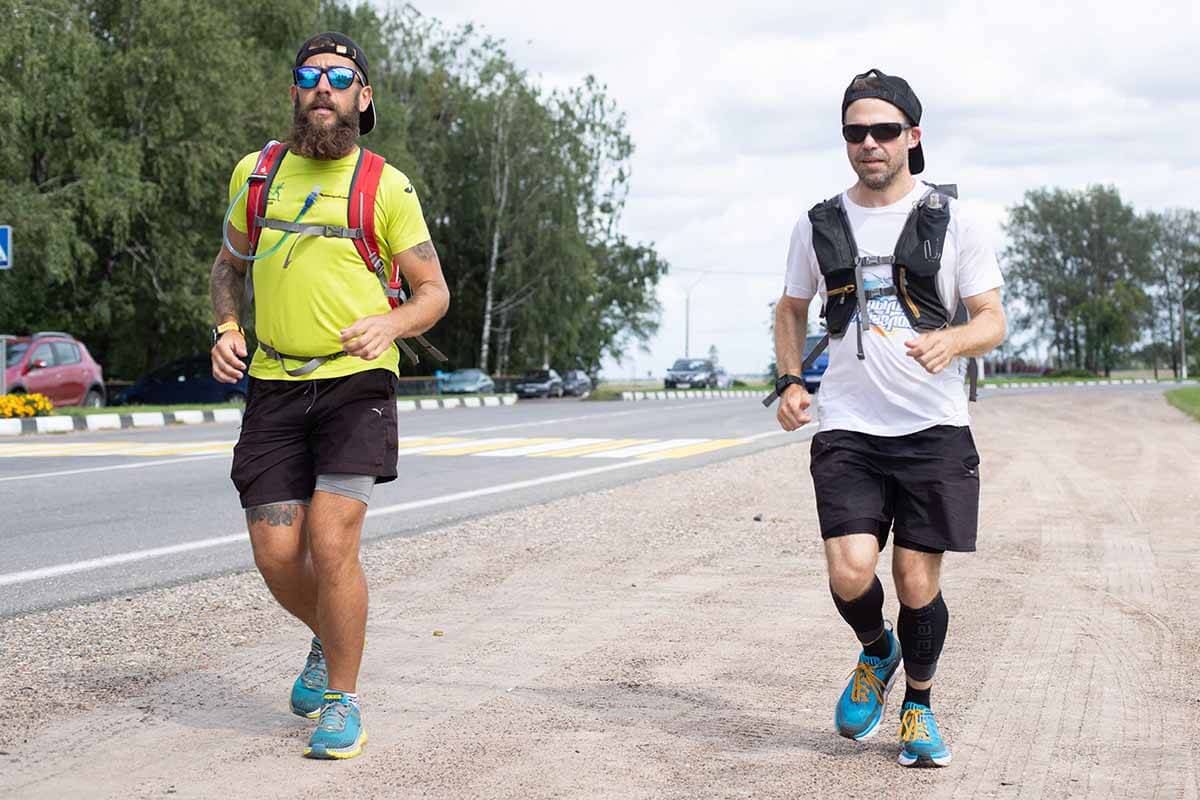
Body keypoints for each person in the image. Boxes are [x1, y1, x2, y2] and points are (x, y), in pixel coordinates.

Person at [209, 31, 450, 760]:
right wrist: (226, 325)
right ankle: (327, 634)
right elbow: (228, 266)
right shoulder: (256, 175)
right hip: (275, 386)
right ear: (294, 91)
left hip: (356, 387)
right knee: (277, 553)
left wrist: (390, 321)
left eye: (339, 77)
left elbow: (434, 292)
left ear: (361, 98)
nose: (323, 87)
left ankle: (342, 701)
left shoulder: (387, 186)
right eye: (309, 75)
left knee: (331, 540)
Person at [771, 68, 1005, 767]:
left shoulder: (956, 220)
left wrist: (954, 338)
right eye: (855, 132)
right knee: (850, 572)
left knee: (915, 581)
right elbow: (789, 309)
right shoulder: (818, 224)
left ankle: (919, 707)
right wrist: (790, 378)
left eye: (883, 130)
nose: (868, 143)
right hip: (848, 424)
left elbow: (991, 319)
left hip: (933, 428)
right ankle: (879, 651)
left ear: (912, 136)